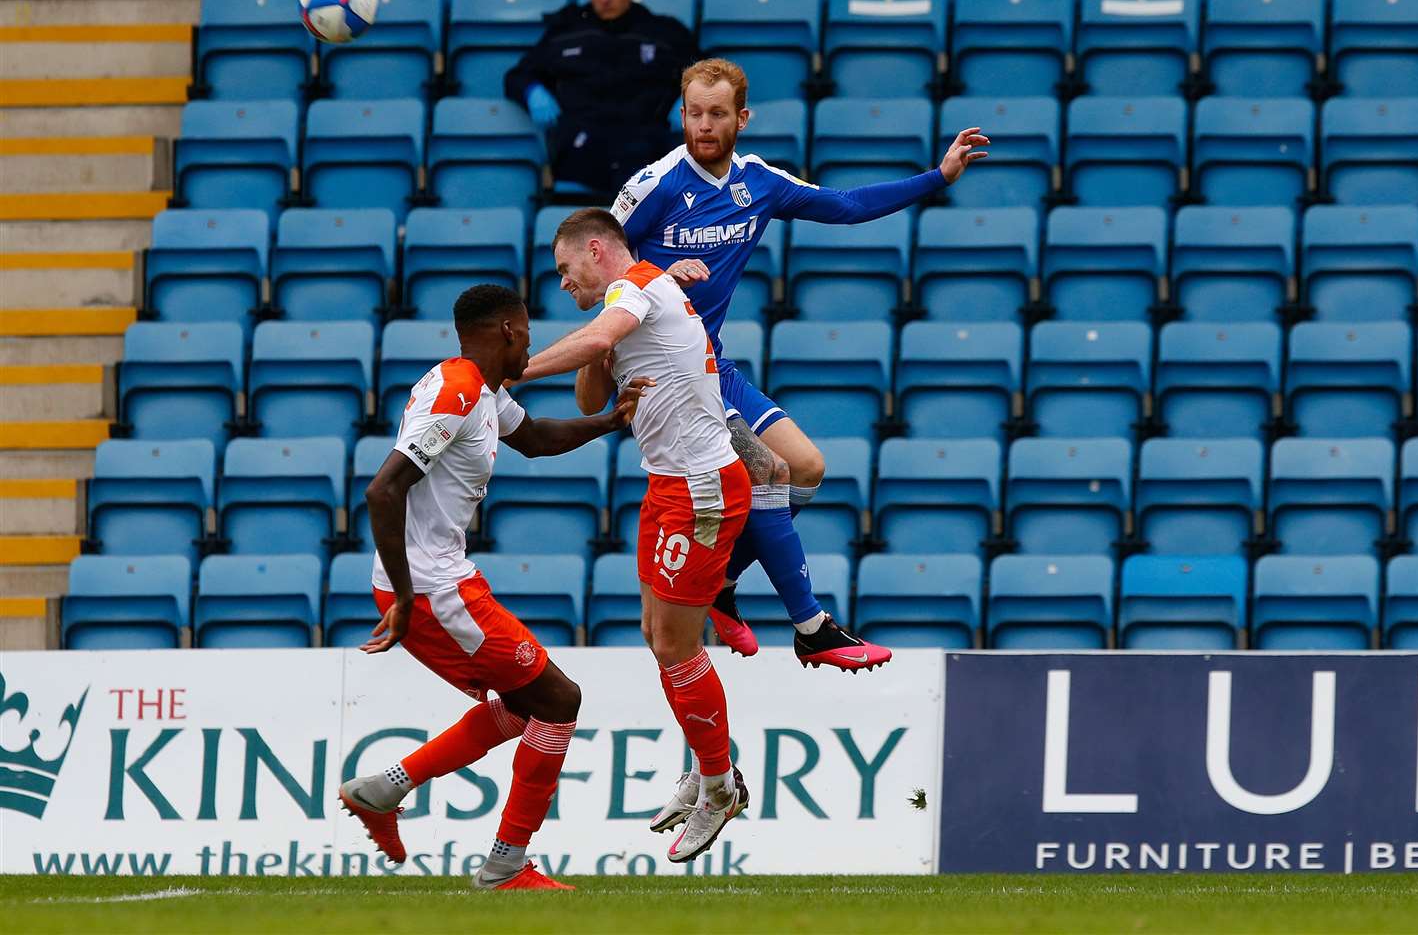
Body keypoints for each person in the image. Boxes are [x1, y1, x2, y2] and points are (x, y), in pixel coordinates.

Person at [604, 58, 990, 670]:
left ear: (742, 118)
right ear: (682, 114)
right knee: (770, 470)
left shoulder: (758, 182)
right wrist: (654, 274)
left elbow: (846, 204)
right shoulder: (653, 185)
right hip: (663, 379)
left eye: (717, 114)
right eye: (694, 113)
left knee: (806, 468)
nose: (703, 126)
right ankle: (811, 624)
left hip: (713, 367)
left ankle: (722, 582)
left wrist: (937, 177)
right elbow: (597, 253)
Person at [337, 284, 651, 891]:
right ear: (508, 329)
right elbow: (383, 491)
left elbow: (533, 440)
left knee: (521, 707)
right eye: (529, 332)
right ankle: (506, 865)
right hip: (432, 590)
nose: (530, 345)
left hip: (439, 583)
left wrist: (609, 422)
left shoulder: (482, 391)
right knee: (559, 701)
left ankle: (381, 791)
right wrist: (404, 597)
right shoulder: (455, 395)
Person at [518, 208, 753, 863]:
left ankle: (717, 783)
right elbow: (593, 399)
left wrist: (509, 372)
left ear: (595, 250)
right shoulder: (638, 294)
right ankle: (710, 770)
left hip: (701, 487)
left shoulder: (638, 291)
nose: (562, 284)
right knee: (660, 638)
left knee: (676, 644)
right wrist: (600, 344)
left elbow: (595, 346)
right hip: (666, 484)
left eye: (566, 270)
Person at [503, 0, 699, 196]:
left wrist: (691, 98)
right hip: (581, 152)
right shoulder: (566, 32)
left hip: (647, 151)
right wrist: (532, 91)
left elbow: (709, 75)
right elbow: (517, 76)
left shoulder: (664, 33)